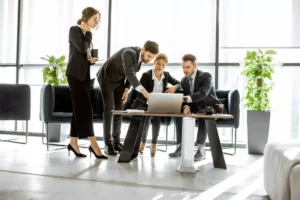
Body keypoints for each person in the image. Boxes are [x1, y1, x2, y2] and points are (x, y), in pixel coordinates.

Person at [96, 41, 159, 155]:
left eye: (152, 58)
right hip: (107, 78)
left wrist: (126, 89)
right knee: (109, 110)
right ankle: (108, 144)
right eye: (149, 56)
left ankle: (116, 142)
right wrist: (145, 92)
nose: (149, 59)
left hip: (119, 81)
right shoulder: (128, 53)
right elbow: (130, 75)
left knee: (119, 111)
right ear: (143, 49)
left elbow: (131, 74)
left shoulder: (140, 60)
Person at [66, 7, 107, 159]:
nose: (97, 22)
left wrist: (91, 61)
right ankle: (93, 143)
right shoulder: (74, 30)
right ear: (86, 17)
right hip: (74, 75)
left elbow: (83, 55)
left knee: (78, 109)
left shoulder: (87, 35)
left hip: (84, 77)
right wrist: (88, 34)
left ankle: (73, 142)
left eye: (98, 19)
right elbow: (82, 48)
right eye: (95, 19)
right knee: (86, 108)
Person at [169, 54, 221, 161]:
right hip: (196, 107)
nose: (185, 70)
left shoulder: (206, 76)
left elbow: (202, 94)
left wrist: (185, 100)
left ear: (195, 66)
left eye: (188, 67)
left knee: (203, 114)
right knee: (178, 114)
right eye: (183, 67)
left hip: (211, 107)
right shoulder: (184, 80)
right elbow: (189, 97)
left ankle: (201, 149)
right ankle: (181, 145)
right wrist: (187, 106)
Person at [131, 53, 180, 157]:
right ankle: (143, 142)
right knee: (147, 117)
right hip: (144, 103)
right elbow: (139, 94)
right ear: (154, 62)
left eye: (163, 65)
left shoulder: (166, 75)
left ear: (166, 65)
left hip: (158, 104)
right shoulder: (146, 75)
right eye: (158, 64)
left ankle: (154, 143)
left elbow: (180, 83)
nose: (160, 67)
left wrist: (174, 87)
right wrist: (148, 100)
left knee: (156, 116)